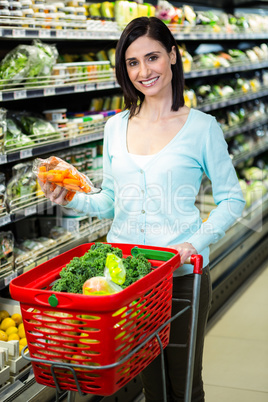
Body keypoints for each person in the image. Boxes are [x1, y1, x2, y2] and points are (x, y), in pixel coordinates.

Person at [39, 17, 245, 402]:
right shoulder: (115, 127)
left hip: (182, 275)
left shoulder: (202, 128)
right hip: (128, 279)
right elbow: (110, 204)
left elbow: (233, 200)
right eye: (132, 63)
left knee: (184, 387)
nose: (144, 71)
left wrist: (194, 244)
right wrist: (72, 197)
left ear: (172, 56)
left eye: (152, 57)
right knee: (151, 387)